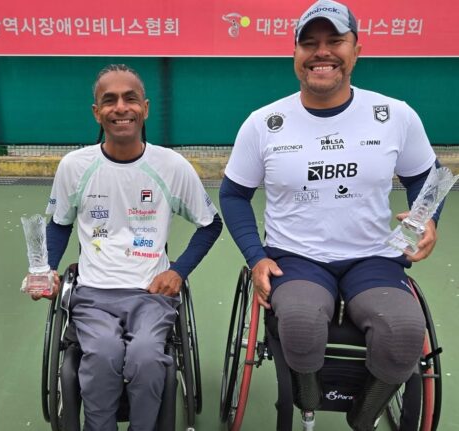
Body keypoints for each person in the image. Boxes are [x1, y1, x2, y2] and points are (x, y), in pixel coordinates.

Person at [219, 1, 445, 430]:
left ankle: (364, 414)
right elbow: (233, 195)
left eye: (335, 41)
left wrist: (426, 217)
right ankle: (307, 398)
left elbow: (426, 177)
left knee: (403, 331)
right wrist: (256, 257)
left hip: (373, 258)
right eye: (309, 43)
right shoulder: (264, 123)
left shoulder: (394, 115)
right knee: (300, 322)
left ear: (356, 50)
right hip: (296, 258)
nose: (322, 52)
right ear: (295, 55)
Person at [30, 64, 222, 431]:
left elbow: (210, 224)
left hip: (151, 294)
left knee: (147, 358)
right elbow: (60, 223)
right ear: (96, 112)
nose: (120, 108)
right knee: (103, 354)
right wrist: (47, 271)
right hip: (92, 295)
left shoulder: (171, 166)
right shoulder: (75, 166)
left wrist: (178, 271)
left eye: (130, 99)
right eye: (110, 100)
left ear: (145, 109)